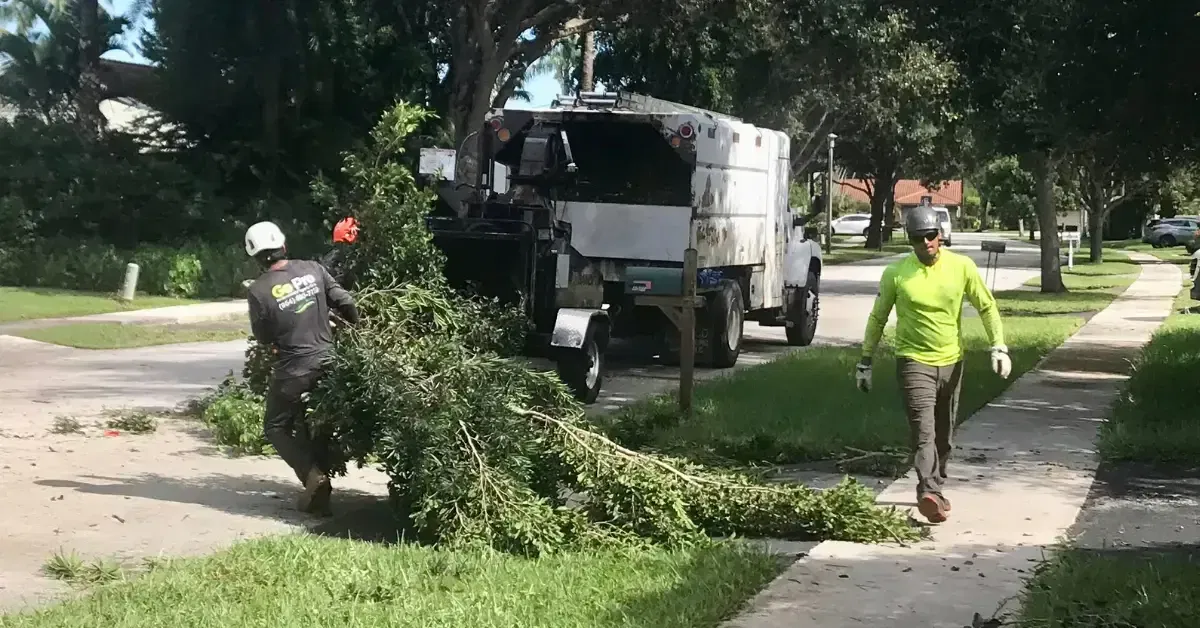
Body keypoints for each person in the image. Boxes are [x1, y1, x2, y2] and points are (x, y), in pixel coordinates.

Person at [855, 206, 1011, 524]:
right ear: (909, 240)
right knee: (923, 432)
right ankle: (928, 490)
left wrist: (998, 346)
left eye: (930, 236)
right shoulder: (897, 274)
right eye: (918, 238)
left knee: (944, 435)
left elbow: (986, 306)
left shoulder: (961, 267)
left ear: (940, 235)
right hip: (913, 362)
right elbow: (878, 318)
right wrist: (865, 361)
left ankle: (935, 488)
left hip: (952, 361)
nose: (926, 242)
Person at [244, 220, 361, 516]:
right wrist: (357, 329)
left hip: (293, 372)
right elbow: (346, 302)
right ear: (283, 245)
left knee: (275, 426)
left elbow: (263, 337)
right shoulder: (313, 268)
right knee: (322, 420)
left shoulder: (258, 290)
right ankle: (320, 483)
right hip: (329, 363)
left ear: (256, 257)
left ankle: (312, 476)